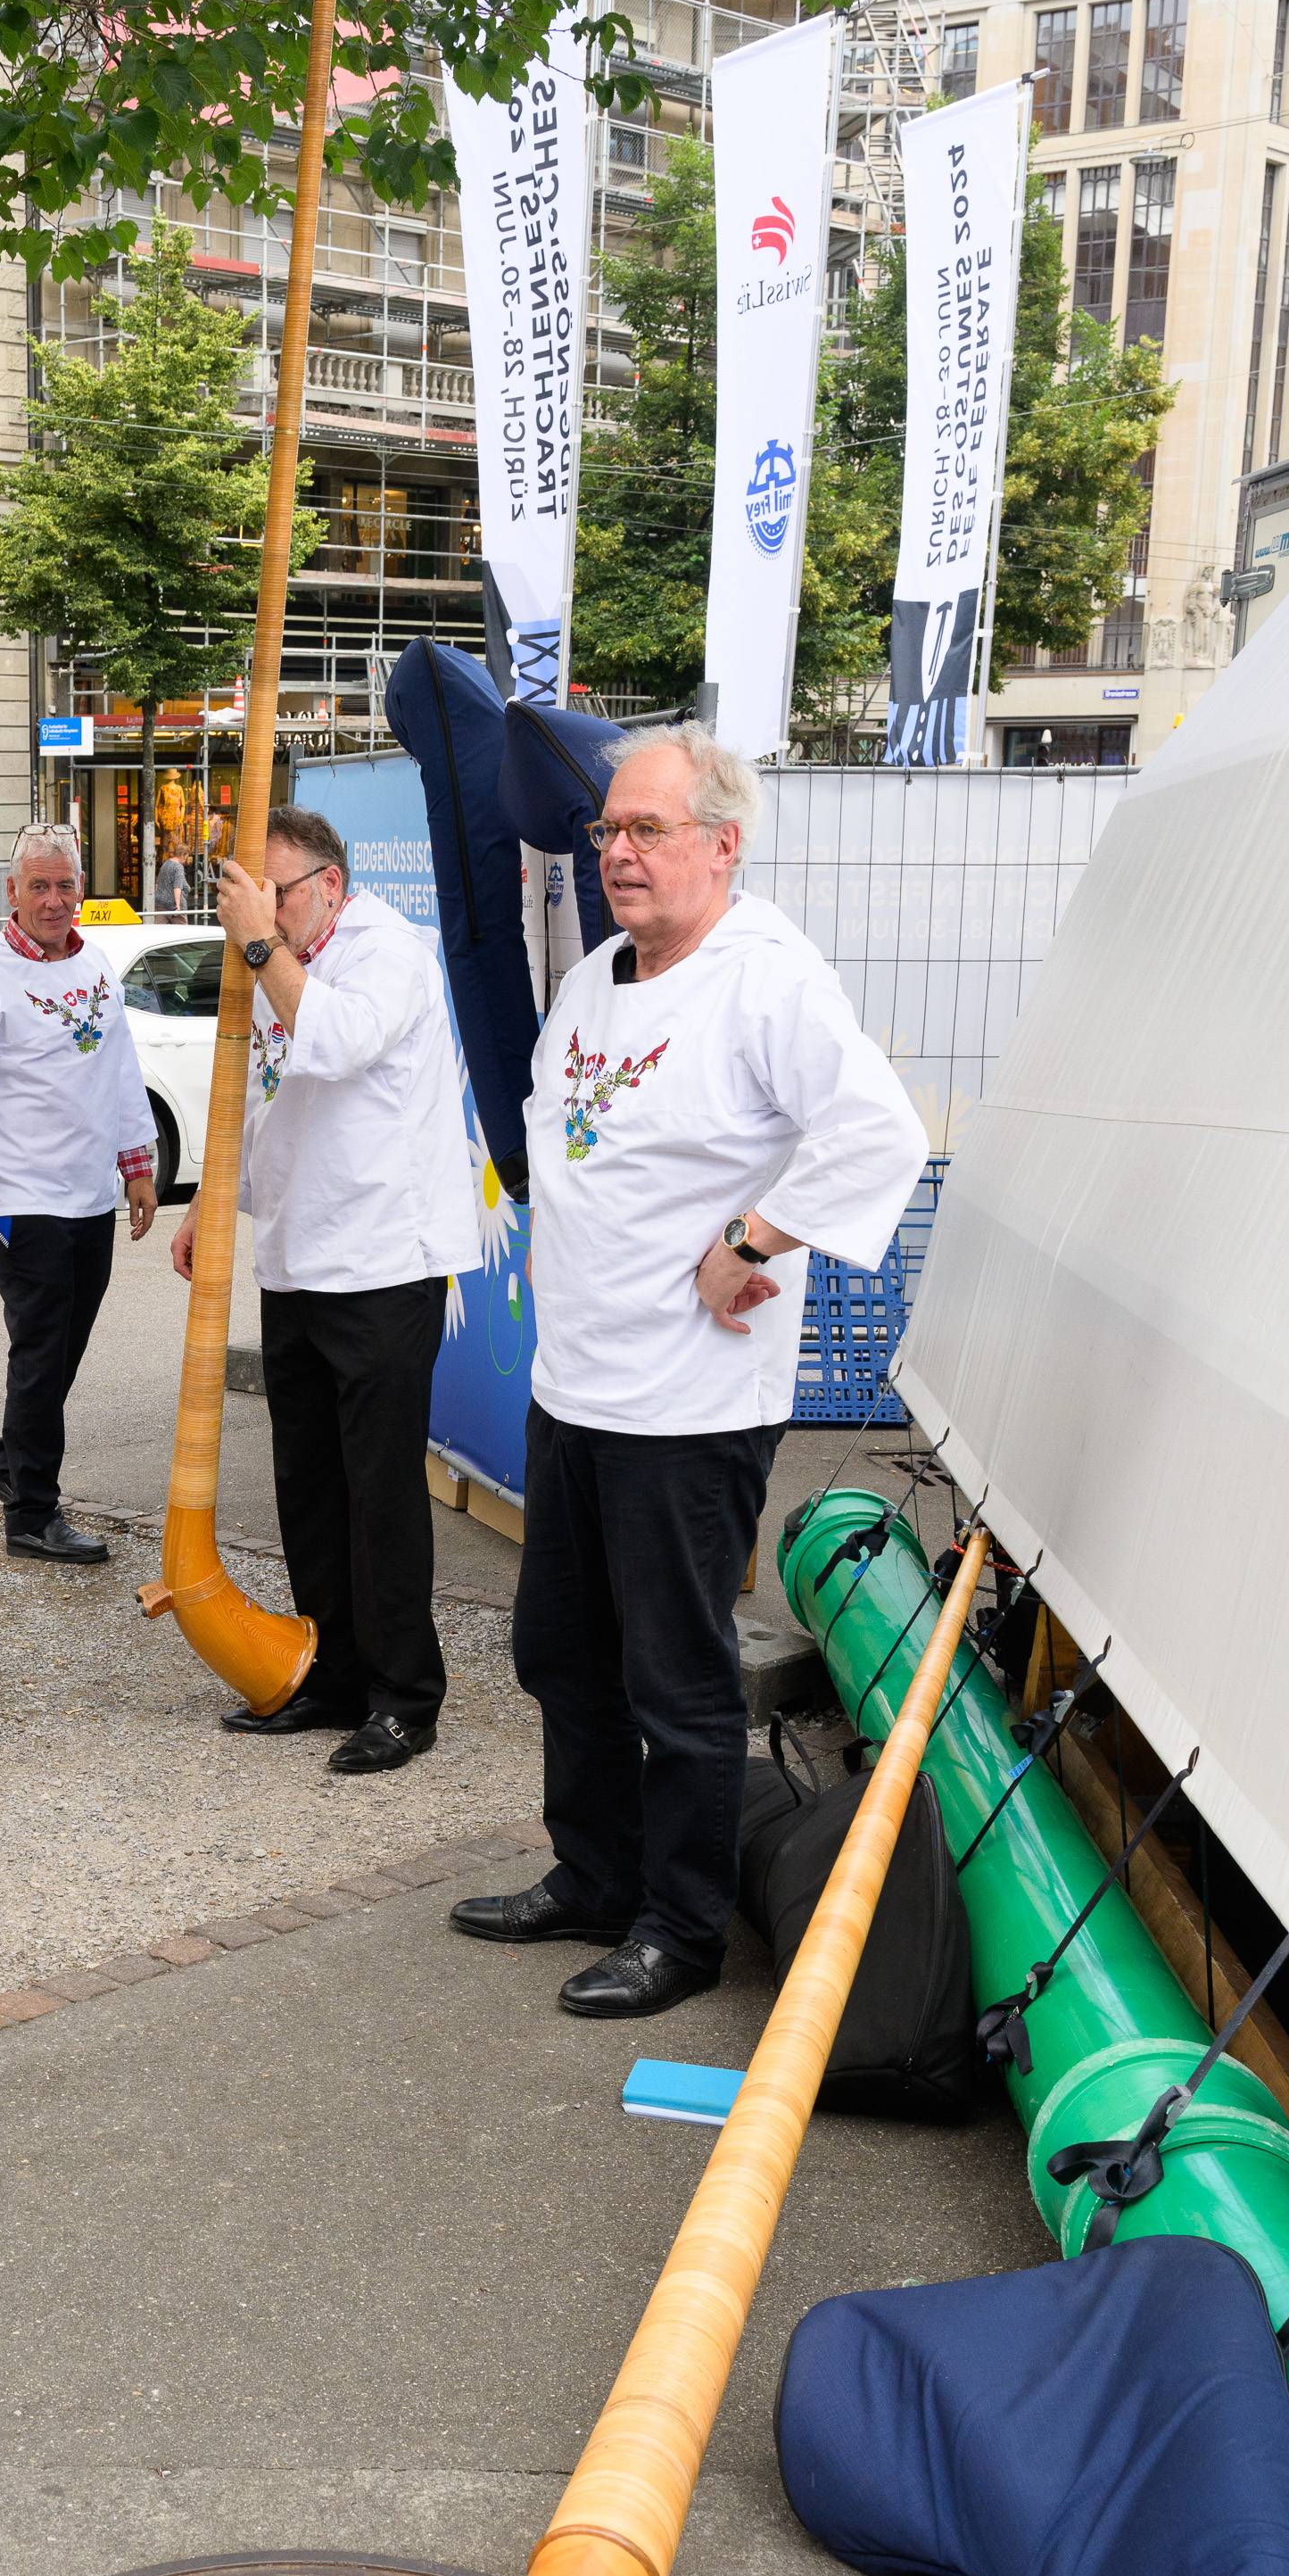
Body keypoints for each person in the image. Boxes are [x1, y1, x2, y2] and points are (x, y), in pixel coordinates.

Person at [450, 721, 926, 2017]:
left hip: (692, 1407)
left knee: (678, 1682)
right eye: (608, 830)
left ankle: (682, 1928)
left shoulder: (767, 976)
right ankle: (594, 1877)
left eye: (647, 830)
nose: (617, 852)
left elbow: (879, 1133)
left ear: (722, 844)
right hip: (579, 1391)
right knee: (564, 1655)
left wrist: (751, 1237)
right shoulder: (601, 980)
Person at [171, 801, 478, 1774]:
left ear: (328, 888)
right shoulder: (281, 963)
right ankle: (331, 1671)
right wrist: (214, 1205)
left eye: (272, 892)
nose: (253, 910)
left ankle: (404, 1695)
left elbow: (336, 1041)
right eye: (246, 894)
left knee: (378, 1488)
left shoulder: (390, 952)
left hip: (384, 1261)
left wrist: (262, 947)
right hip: (301, 1256)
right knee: (307, 1483)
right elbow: (275, 1102)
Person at [0, 821, 161, 1565]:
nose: (53, 901)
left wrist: (138, 1164)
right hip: (25, 1201)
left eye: (65, 885)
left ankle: (9, 1464)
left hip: (90, 1197)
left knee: (61, 1353)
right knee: (42, 1353)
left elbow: (118, 1070)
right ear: (12, 892)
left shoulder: (95, 970)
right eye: (39, 887)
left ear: (80, 889)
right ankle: (31, 1515)